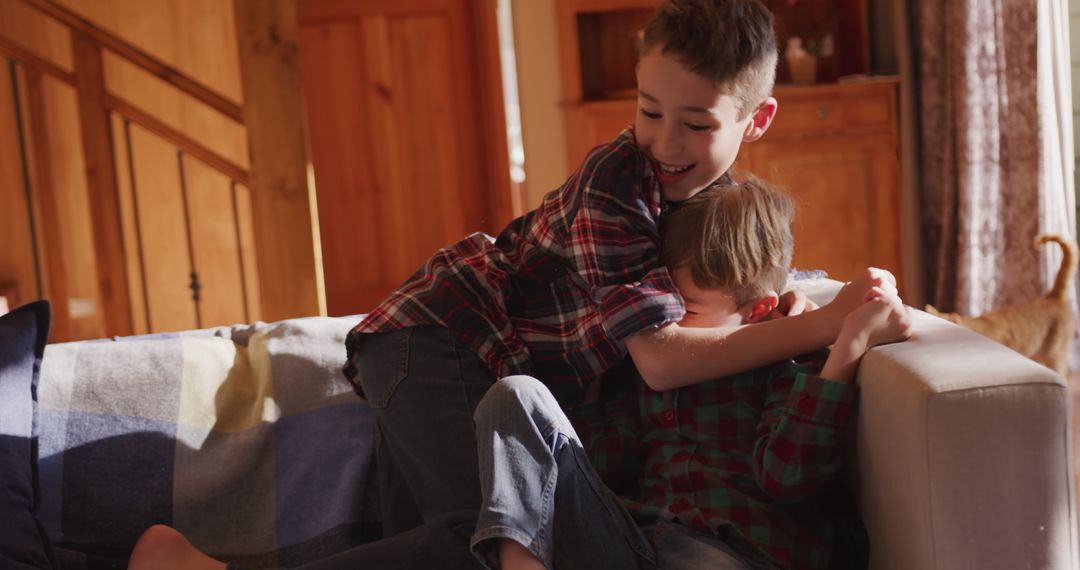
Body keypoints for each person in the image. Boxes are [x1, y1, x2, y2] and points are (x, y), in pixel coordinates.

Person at [128, 0, 902, 567]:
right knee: (500, 535)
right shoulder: (615, 180)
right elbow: (665, 357)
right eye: (649, 110)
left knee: (479, 535)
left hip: (482, 362)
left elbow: (731, 284)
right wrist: (818, 325)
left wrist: (792, 309)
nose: (667, 142)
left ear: (756, 121)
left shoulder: (700, 204)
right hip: (444, 338)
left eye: (697, 124)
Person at [470, 178, 913, 570]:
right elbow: (611, 462)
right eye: (660, 302)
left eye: (686, 309)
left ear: (756, 310)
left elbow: (787, 474)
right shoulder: (650, 357)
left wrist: (850, 346)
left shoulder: (791, 358)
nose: (666, 321)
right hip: (638, 538)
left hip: (731, 549)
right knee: (514, 397)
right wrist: (597, 377)